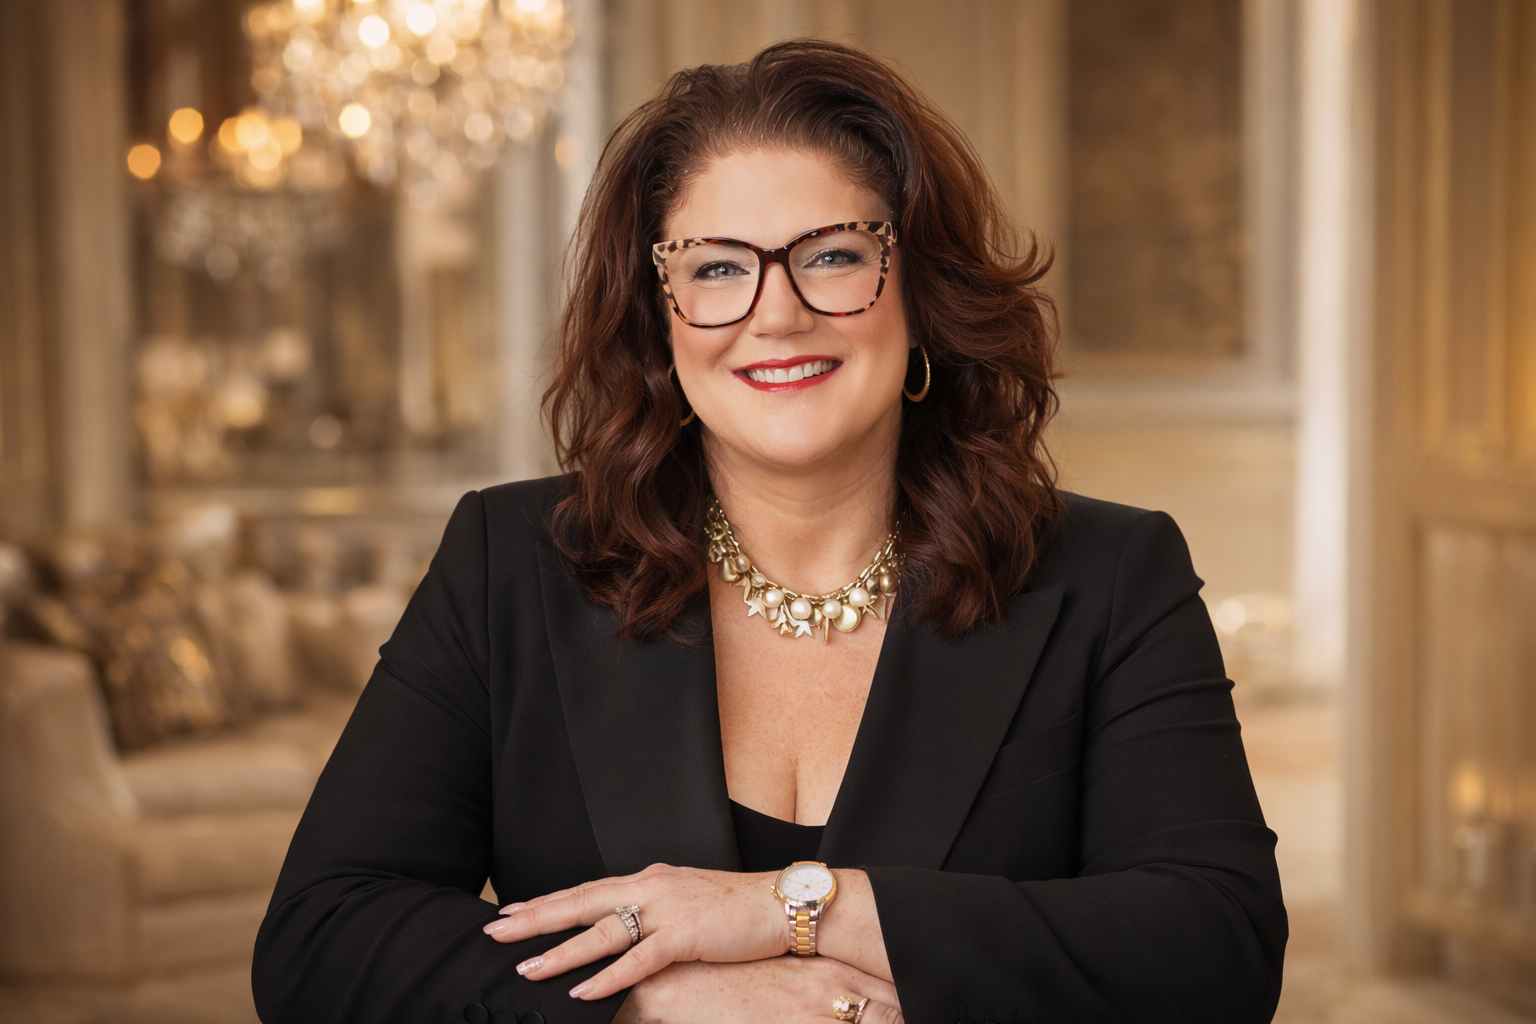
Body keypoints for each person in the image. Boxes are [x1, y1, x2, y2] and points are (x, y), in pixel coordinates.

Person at [252, 39, 1286, 1024]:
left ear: (921, 292)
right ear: (658, 315)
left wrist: (796, 908)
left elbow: (1217, 948)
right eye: (715, 268)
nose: (777, 313)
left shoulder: (1112, 574)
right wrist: (652, 1000)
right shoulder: (510, 559)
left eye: (833, 255)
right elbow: (321, 939)